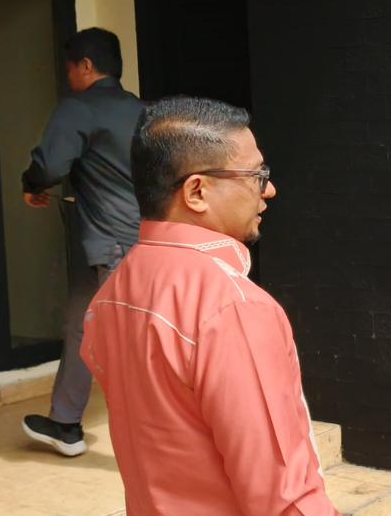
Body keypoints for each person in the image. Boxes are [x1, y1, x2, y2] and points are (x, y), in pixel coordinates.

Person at [81, 97, 335, 515]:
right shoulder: (233, 307)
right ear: (197, 191)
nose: (269, 189)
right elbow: (282, 495)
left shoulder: (112, 293)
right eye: (257, 175)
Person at [20, 28, 143, 456]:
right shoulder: (142, 111)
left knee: (126, 344)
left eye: (70, 68)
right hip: (134, 240)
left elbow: (50, 165)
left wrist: (31, 184)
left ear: (86, 66)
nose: (69, 76)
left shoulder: (79, 108)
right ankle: (65, 423)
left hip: (113, 243)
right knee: (79, 324)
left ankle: (159, 442)